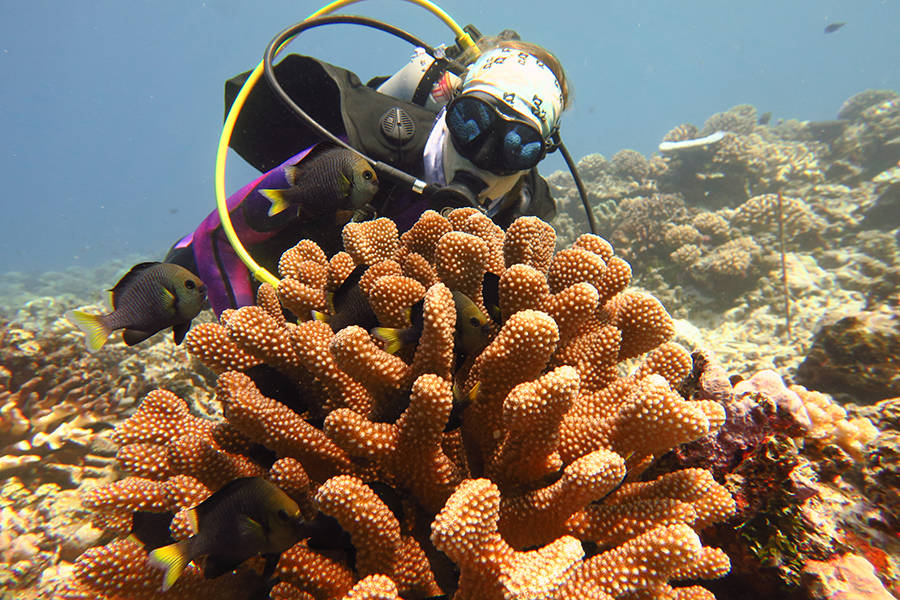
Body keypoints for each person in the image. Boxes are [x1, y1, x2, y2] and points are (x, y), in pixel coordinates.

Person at [165, 33, 571, 316]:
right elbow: (220, 236)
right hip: (263, 276)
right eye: (471, 123)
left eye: (517, 146)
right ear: (450, 106)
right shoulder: (372, 143)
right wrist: (256, 344)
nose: (481, 158)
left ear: (540, 156)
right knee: (177, 278)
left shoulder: (524, 220)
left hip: (356, 323)